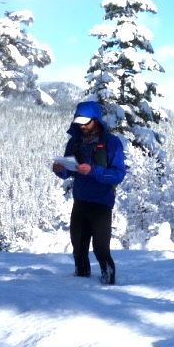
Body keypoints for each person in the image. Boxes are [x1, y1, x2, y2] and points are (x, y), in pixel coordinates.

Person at [52, 101, 126, 285]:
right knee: (78, 248)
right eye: (80, 122)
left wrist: (93, 171)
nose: (83, 126)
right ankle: (80, 283)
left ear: (96, 120)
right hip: (80, 201)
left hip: (101, 203)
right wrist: (60, 169)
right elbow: (68, 171)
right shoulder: (74, 142)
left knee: (101, 249)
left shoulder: (112, 143)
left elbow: (118, 174)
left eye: (87, 122)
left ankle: (109, 284)